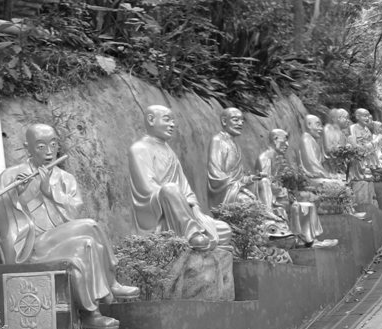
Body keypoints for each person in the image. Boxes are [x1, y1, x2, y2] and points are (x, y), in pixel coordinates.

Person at [0, 123, 135, 329]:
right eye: (40, 146)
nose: (49, 151)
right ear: (27, 147)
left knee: (88, 241)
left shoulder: (66, 179)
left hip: (58, 238)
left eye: (53, 144)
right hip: (32, 244)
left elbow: (73, 213)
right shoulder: (12, 176)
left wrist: (49, 192)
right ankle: (105, 294)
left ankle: (93, 311)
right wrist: (15, 195)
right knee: (89, 230)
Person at [128, 104, 231, 250]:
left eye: (173, 122)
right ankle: (192, 234)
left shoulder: (169, 152)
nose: (172, 125)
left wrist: (194, 207)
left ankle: (194, 231)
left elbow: (185, 188)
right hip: (156, 212)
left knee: (225, 229)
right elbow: (147, 188)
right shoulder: (139, 149)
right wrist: (173, 195)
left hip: (182, 210)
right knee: (169, 188)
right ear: (151, 120)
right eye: (167, 120)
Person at [207, 107, 294, 237]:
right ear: (224, 121)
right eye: (235, 120)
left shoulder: (234, 144)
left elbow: (238, 175)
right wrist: (240, 186)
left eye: (242, 120)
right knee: (248, 203)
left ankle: (269, 215)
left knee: (264, 181)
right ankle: (265, 226)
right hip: (225, 192)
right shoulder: (218, 141)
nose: (240, 123)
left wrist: (252, 178)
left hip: (237, 186)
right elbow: (215, 174)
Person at [257, 129, 335, 247]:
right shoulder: (264, 158)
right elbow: (264, 183)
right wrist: (280, 190)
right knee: (299, 207)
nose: (287, 145)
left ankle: (311, 240)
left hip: (285, 196)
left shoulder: (279, 159)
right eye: (284, 141)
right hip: (272, 200)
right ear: (275, 140)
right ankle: (304, 241)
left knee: (309, 205)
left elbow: (283, 181)